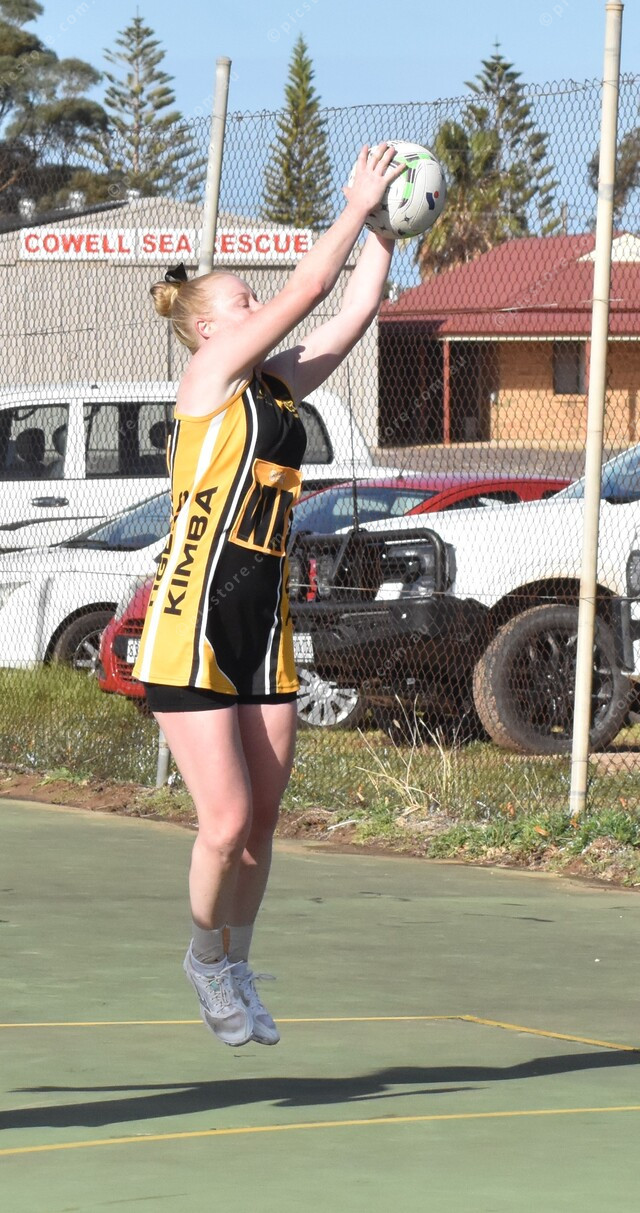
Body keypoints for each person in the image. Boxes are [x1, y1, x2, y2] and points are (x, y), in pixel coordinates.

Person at [132, 143, 403, 1048]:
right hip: (195, 617)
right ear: (210, 328)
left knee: (265, 820)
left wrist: (388, 232)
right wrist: (352, 204)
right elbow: (309, 290)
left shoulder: (275, 387)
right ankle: (203, 959)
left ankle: (236, 961)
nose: (260, 309)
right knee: (225, 820)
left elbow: (348, 316)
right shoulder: (206, 381)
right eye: (245, 303)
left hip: (264, 620)